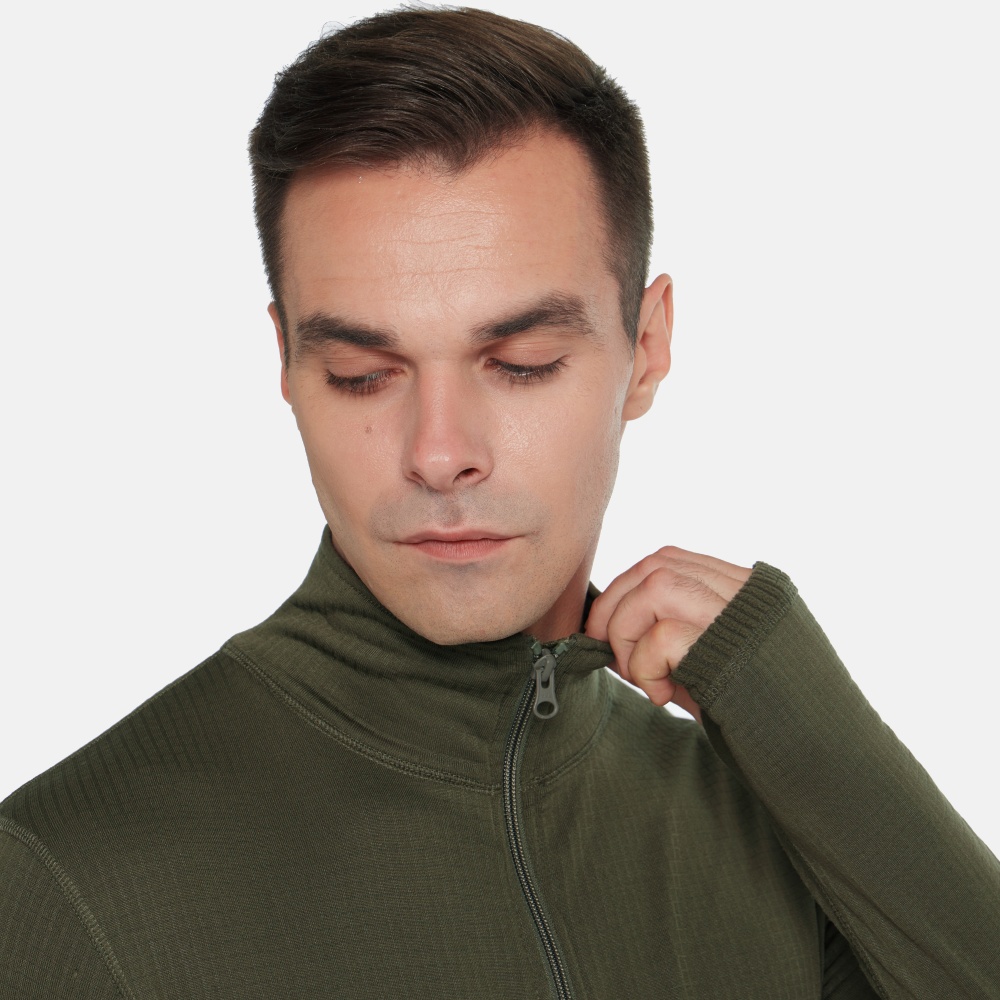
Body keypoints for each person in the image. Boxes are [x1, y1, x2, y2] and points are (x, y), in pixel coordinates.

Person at [1, 6, 997, 998]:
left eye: (521, 363)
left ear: (647, 348)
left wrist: (799, 716)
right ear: (288, 364)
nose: (439, 455)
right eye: (361, 374)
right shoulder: (68, 878)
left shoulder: (772, 830)